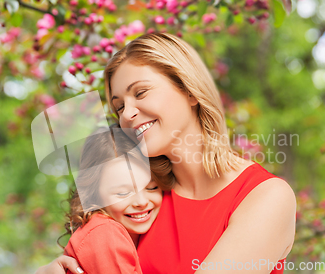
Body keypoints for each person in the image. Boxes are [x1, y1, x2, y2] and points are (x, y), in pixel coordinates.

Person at [36, 32, 296, 274]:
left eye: (141, 92)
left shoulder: (265, 196)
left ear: (189, 90)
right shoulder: (139, 199)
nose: (127, 114)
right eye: (119, 107)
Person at [38, 125, 162, 274]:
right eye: (123, 193)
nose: (141, 202)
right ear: (94, 194)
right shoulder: (104, 233)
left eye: (152, 187)